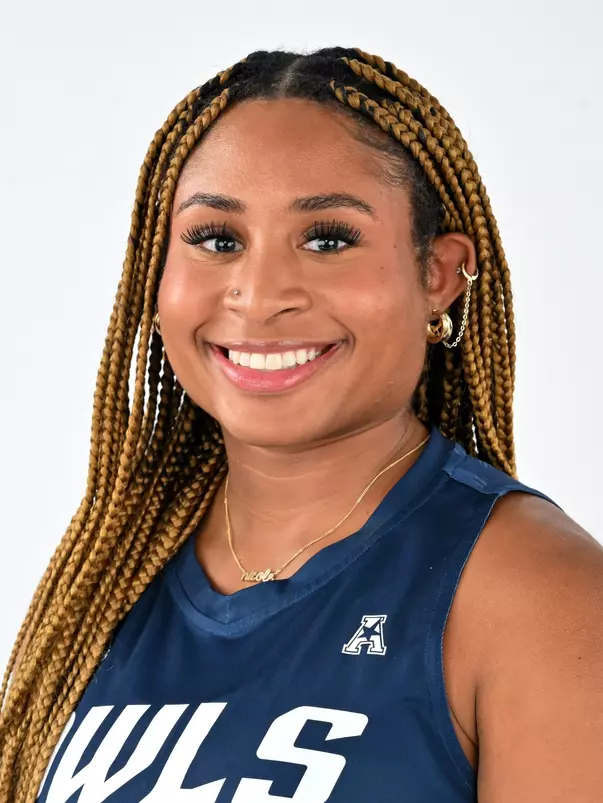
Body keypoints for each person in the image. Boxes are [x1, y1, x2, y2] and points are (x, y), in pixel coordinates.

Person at [1, 46, 601, 802]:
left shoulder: (538, 596)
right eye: (217, 239)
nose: (258, 296)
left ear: (437, 276)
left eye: (327, 239)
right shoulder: (107, 580)